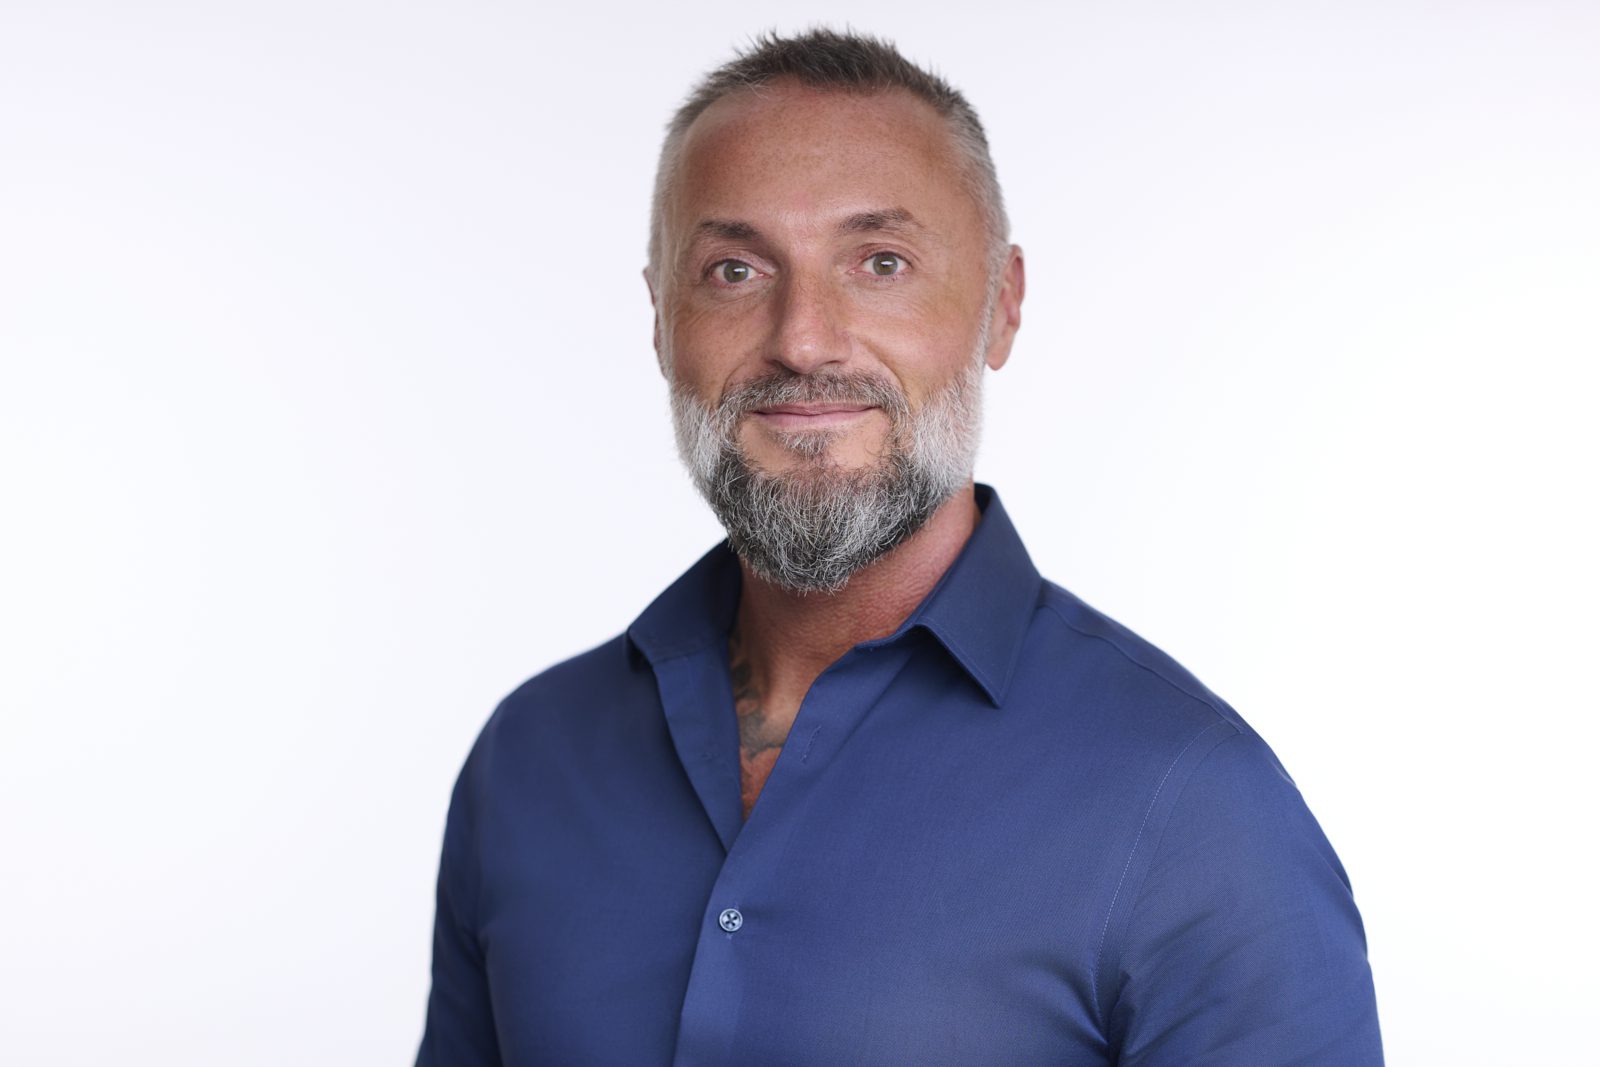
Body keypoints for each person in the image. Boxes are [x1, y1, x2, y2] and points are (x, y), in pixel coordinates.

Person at [415, 28, 1383, 1066]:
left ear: (1001, 305)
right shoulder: (529, 759)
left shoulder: (1196, 807)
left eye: (881, 262)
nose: (802, 338)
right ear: (661, 319)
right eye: (734, 270)